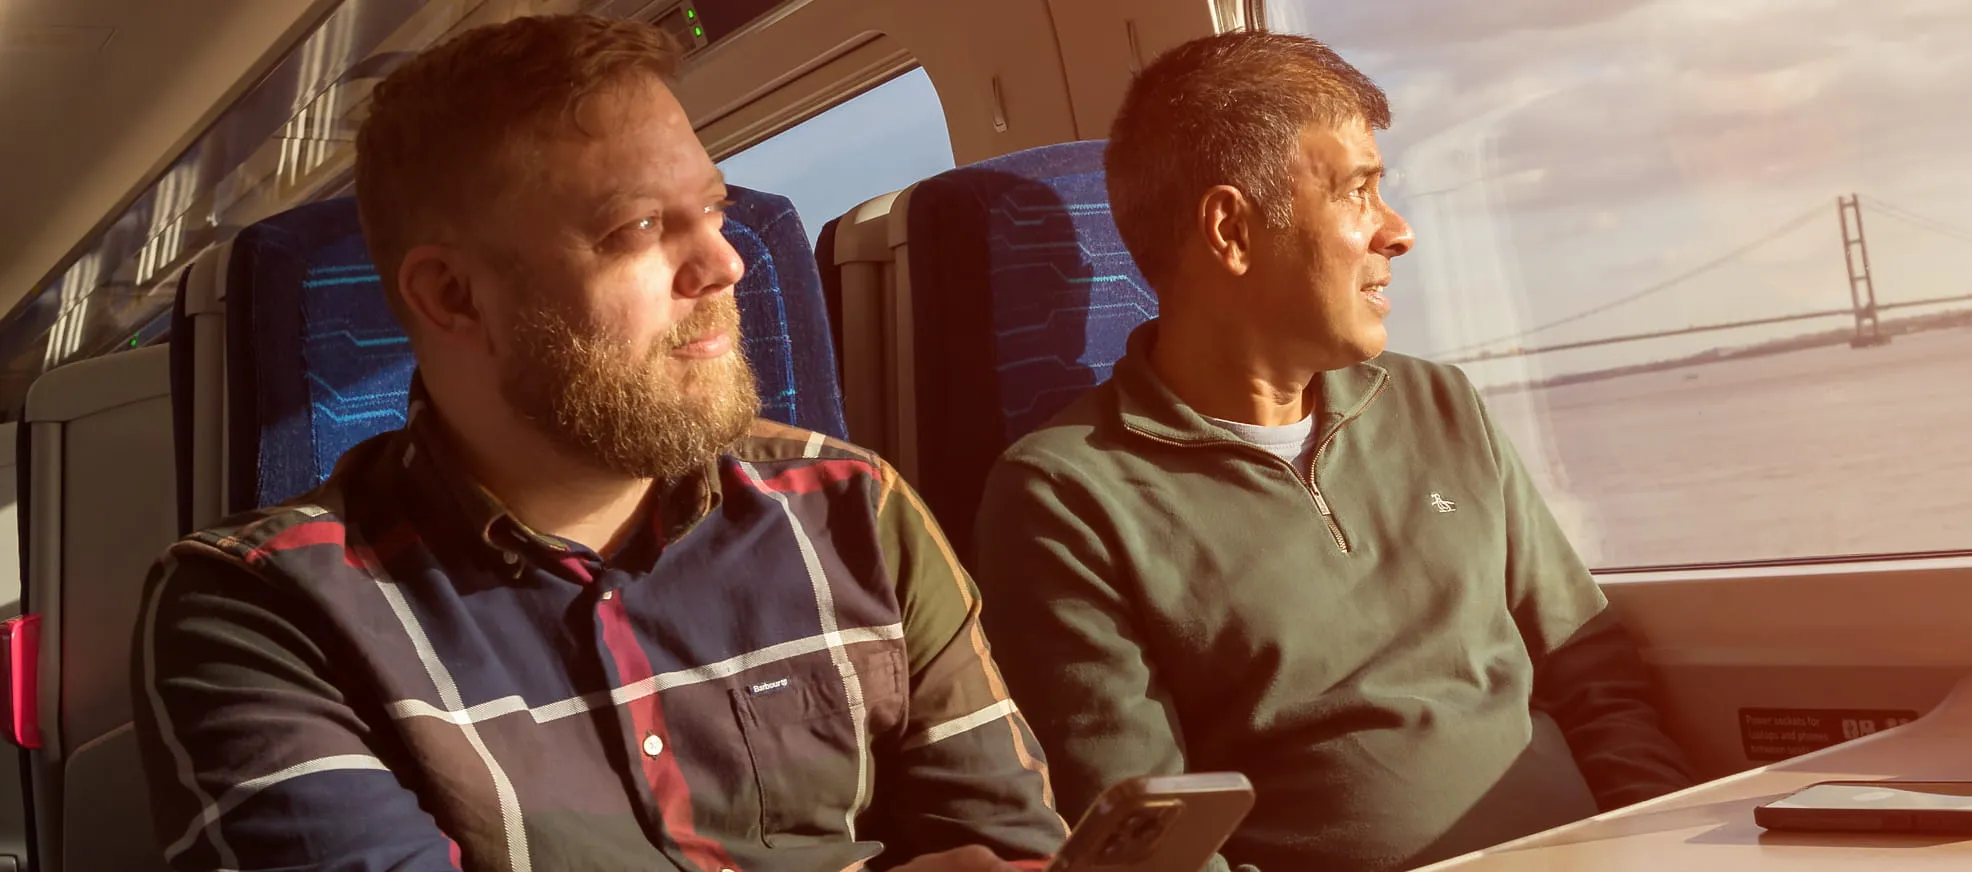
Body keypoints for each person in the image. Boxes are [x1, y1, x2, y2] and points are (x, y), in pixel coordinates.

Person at [132, 15, 1062, 872]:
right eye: (641, 229)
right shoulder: (260, 612)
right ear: (454, 298)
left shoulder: (854, 507)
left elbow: (1008, 845)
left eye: (716, 211)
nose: (725, 262)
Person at [973, 31, 1695, 872]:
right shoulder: (1064, 493)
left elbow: (1592, 674)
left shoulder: (1439, 404)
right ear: (1232, 230)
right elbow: (1156, 839)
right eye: (1360, 191)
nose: (1400, 231)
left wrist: (1658, 840)